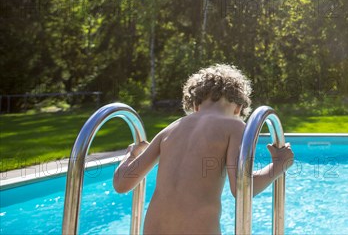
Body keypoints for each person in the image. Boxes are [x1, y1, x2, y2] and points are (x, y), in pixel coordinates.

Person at [112, 64, 294, 234]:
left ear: (195, 105)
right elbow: (241, 187)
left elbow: (122, 185)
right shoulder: (234, 127)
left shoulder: (170, 129)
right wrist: (278, 165)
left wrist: (131, 155)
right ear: (239, 108)